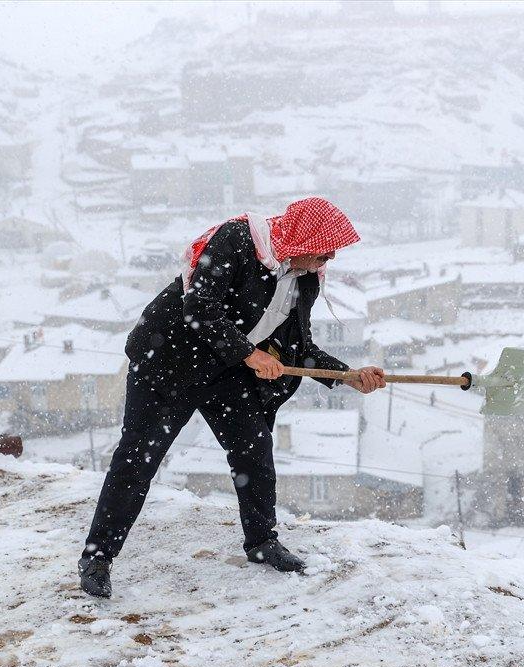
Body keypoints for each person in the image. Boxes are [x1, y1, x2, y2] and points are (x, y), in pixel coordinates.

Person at [78, 198, 386, 598]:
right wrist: (250, 353)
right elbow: (200, 309)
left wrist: (347, 375)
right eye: (324, 247)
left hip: (225, 369)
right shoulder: (238, 241)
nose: (329, 256)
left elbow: (295, 346)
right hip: (168, 362)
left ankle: (262, 543)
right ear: (301, 238)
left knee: (254, 446)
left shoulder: (305, 278)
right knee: (139, 457)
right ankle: (98, 557)